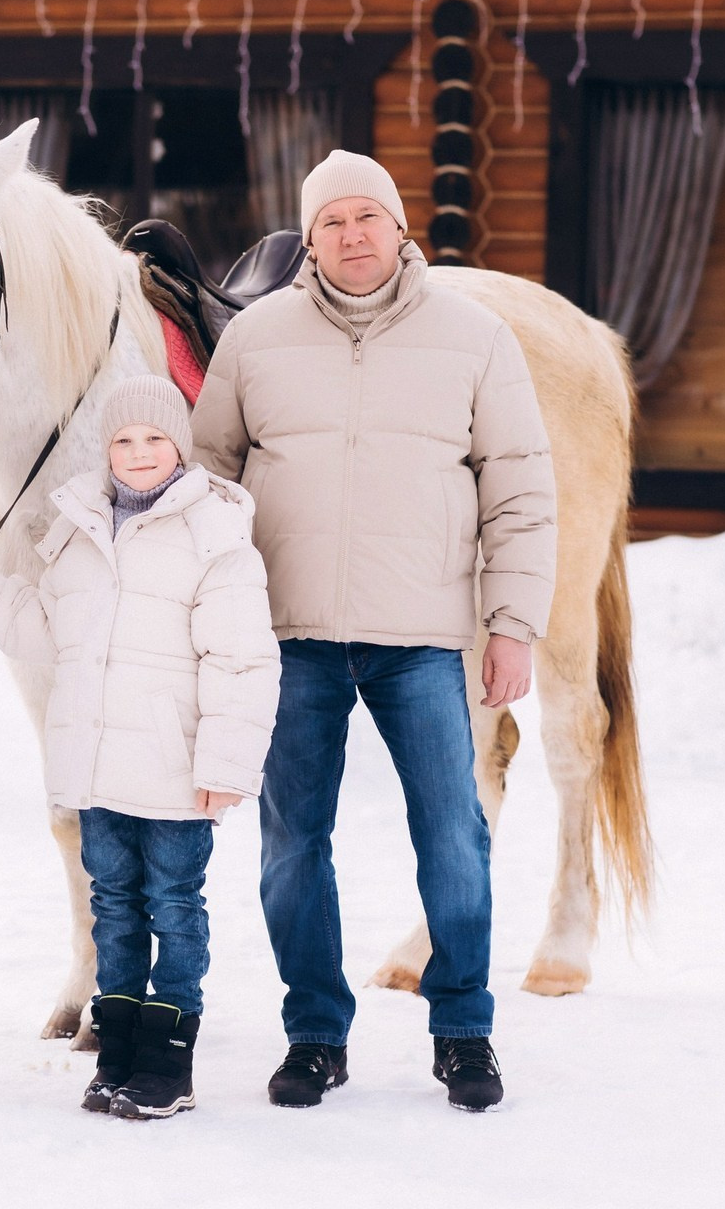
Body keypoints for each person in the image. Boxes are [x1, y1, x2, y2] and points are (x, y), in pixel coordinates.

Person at [189, 150, 557, 1113]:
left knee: (453, 832)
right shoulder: (257, 337)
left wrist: (512, 624)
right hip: (290, 633)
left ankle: (464, 1029)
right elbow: (205, 478)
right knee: (291, 843)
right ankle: (314, 1033)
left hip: (425, 631)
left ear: (402, 228)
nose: (352, 236)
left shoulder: (474, 336)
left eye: (368, 217)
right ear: (306, 241)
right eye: (331, 223)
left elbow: (520, 490)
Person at [0, 375, 280, 1120]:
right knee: (114, 909)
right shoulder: (80, 531)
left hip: (175, 775)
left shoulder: (217, 538)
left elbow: (242, 662)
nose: (139, 452)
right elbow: (46, 633)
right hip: (97, 778)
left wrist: (224, 766)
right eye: (124, 440)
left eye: (156, 439)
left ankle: (168, 1059)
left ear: (180, 449)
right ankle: (119, 1043)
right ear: (106, 450)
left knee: (176, 909)